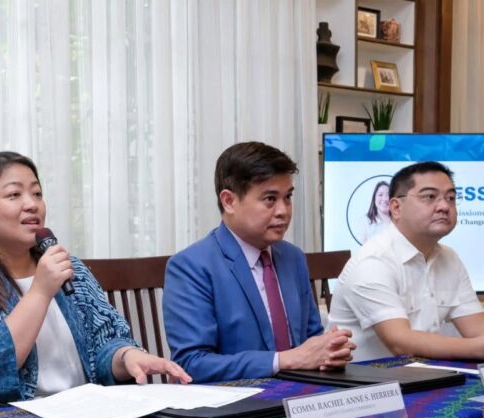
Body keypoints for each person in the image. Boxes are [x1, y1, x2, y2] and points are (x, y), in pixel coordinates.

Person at [0, 151, 190, 418]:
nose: (32, 204)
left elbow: (107, 341)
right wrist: (40, 291)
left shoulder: (69, 268)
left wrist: (126, 357)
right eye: (14, 195)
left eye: (37, 194)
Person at [163, 141, 354, 383]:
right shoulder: (191, 267)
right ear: (229, 201)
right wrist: (284, 360)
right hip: (237, 405)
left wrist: (329, 351)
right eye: (270, 199)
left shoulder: (293, 258)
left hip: (302, 396)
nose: (283, 211)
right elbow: (191, 363)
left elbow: (310, 340)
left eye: (288, 197)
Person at [329, 161, 484, 361]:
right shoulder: (373, 262)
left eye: (451, 198)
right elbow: (400, 343)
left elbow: (477, 329)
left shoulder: (449, 258)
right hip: (367, 387)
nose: (444, 206)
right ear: (396, 207)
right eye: (429, 197)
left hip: (425, 376)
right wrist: (478, 349)